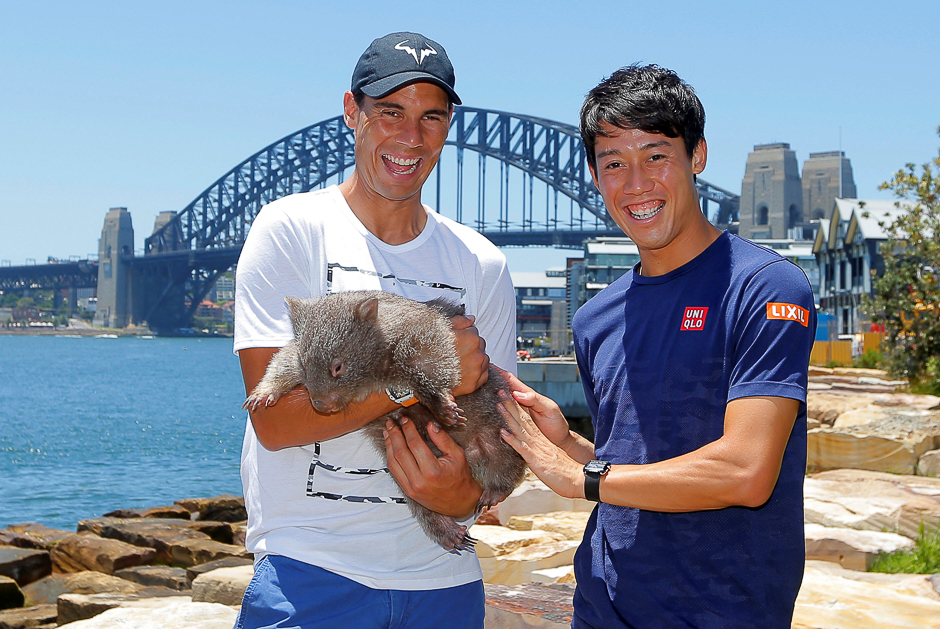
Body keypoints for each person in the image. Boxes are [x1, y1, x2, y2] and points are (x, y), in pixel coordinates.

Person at [498, 64, 815, 628]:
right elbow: (638, 465)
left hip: (724, 612)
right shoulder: (597, 316)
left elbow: (746, 471)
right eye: (613, 163)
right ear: (595, 178)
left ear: (697, 157)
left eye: (656, 155)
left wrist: (583, 479)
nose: (636, 184)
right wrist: (569, 443)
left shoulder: (765, 287)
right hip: (603, 606)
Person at [233, 32, 516, 629]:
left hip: (445, 583)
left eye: (430, 117)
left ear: (447, 129)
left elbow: (496, 445)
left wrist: (461, 497)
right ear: (351, 112)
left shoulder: (480, 263)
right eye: (390, 112)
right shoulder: (291, 229)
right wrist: (414, 385)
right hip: (311, 575)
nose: (410, 137)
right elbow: (274, 421)